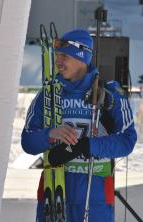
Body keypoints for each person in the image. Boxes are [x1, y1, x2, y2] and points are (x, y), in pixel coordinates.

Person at [21, 29, 137, 222]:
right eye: (57, 56)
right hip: (54, 194)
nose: (58, 61)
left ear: (82, 57)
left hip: (96, 195)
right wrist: (50, 134)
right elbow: (27, 141)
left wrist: (87, 146)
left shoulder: (110, 93)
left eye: (64, 56)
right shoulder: (48, 94)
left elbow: (127, 141)